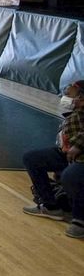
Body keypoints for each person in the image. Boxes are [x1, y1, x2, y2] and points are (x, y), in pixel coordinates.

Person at [22, 80, 84, 239]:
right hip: (67, 153)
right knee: (32, 159)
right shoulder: (75, 114)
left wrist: (78, 145)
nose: (66, 97)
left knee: (71, 176)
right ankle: (50, 205)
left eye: (70, 94)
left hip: (80, 157)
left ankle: (79, 218)